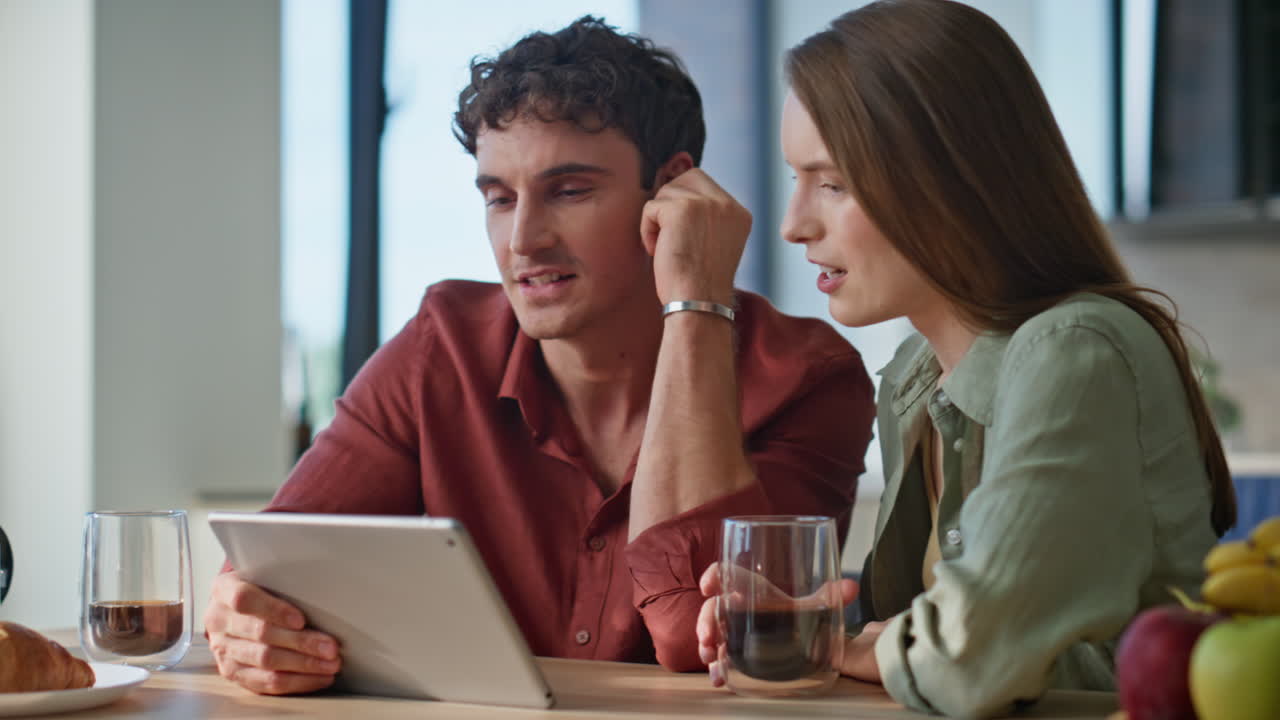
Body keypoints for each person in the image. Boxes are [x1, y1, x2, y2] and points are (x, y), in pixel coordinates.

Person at [202, 16, 876, 696]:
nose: (522, 240)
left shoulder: (809, 381)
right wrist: (245, 619)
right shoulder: (442, 347)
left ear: (674, 192)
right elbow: (274, 566)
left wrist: (696, 302)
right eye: (499, 199)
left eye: (569, 191)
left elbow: (698, 634)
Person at [693, 1, 1236, 717]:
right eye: (796, 179)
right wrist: (809, 622)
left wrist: (839, 648)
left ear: (944, 177)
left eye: (833, 183)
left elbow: (968, 658)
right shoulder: (916, 378)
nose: (794, 224)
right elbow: (941, 629)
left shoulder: (1075, 352)